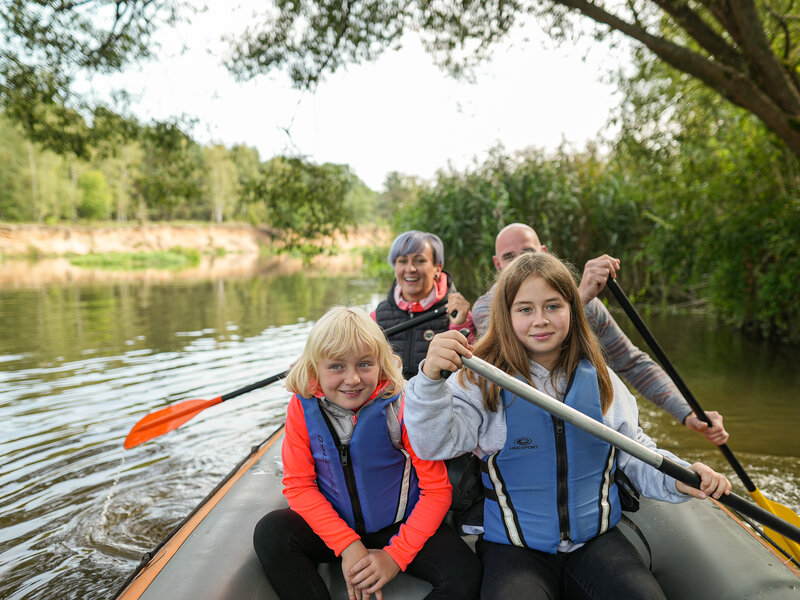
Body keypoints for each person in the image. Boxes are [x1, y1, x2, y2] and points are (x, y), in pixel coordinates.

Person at [403, 252, 731, 599]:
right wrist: (428, 380)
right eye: (525, 309)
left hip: (595, 541)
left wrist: (680, 477)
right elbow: (432, 444)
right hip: (516, 547)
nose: (540, 320)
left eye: (553, 306)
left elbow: (635, 454)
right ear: (506, 315)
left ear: (573, 310)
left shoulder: (603, 381)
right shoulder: (480, 381)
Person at [253, 306, 481, 600]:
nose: (352, 380)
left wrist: (395, 557)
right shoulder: (301, 407)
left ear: (381, 364)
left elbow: (436, 492)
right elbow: (299, 487)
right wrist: (347, 545)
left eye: (364, 365)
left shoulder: (403, 408)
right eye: (336, 366)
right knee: (272, 533)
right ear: (314, 369)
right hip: (334, 526)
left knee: (466, 575)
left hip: (400, 525)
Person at [472, 223, 729, 445]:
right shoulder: (486, 307)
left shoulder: (590, 306)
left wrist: (687, 412)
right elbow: (507, 355)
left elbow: (632, 363)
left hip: (588, 426)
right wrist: (579, 298)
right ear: (497, 265)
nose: (519, 262)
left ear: (543, 254)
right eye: (509, 256)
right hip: (524, 434)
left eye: (527, 252)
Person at [372, 230, 476, 381]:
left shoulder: (457, 313)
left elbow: (469, 376)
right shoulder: (376, 317)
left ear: (437, 268)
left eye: (420, 261)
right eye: (402, 261)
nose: (410, 269)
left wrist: (460, 325)